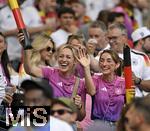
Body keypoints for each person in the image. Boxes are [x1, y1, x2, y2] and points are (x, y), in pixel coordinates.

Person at [19, 36, 86, 121]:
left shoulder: (80, 83)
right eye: (61, 56)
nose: (64, 60)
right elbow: (30, 70)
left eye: (68, 57)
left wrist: (79, 106)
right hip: (48, 121)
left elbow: (81, 118)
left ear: (75, 61)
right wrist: (26, 47)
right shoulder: (51, 72)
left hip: (66, 126)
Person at [77, 49, 129, 131]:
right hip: (98, 125)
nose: (104, 64)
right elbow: (91, 91)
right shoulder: (95, 79)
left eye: (109, 61)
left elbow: (130, 105)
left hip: (117, 126)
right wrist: (86, 67)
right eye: (101, 61)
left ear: (117, 65)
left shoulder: (124, 82)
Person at [9, 78, 73, 131]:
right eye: (27, 101)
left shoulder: (63, 128)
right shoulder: (17, 129)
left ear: (49, 102)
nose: (30, 105)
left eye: (36, 101)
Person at [107, 23, 150, 97]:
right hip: (111, 103)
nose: (111, 41)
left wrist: (137, 80)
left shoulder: (142, 57)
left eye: (114, 38)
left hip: (135, 103)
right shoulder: (101, 56)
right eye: (109, 38)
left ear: (124, 37)